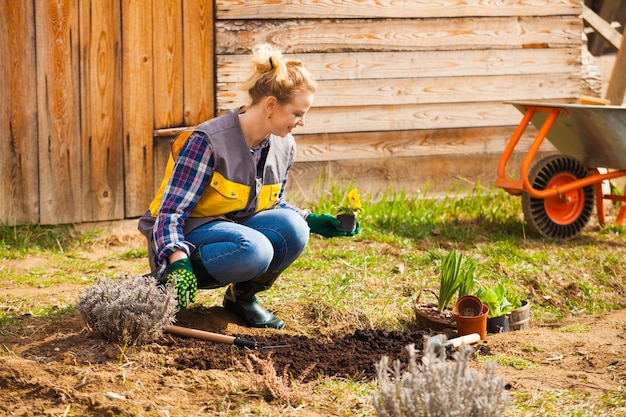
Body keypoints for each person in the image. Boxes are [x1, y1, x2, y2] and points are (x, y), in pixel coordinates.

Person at [138, 43, 359, 329]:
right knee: (256, 249)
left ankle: (242, 299)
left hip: (234, 230)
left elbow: (271, 204)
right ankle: (164, 285)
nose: (302, 122)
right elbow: (170, 214)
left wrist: (312, 221)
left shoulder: (283, 145)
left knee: (294, 228)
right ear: (270, 105)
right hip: (185, 236)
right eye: (297, 113)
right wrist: (178, 260)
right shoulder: (207, 142)